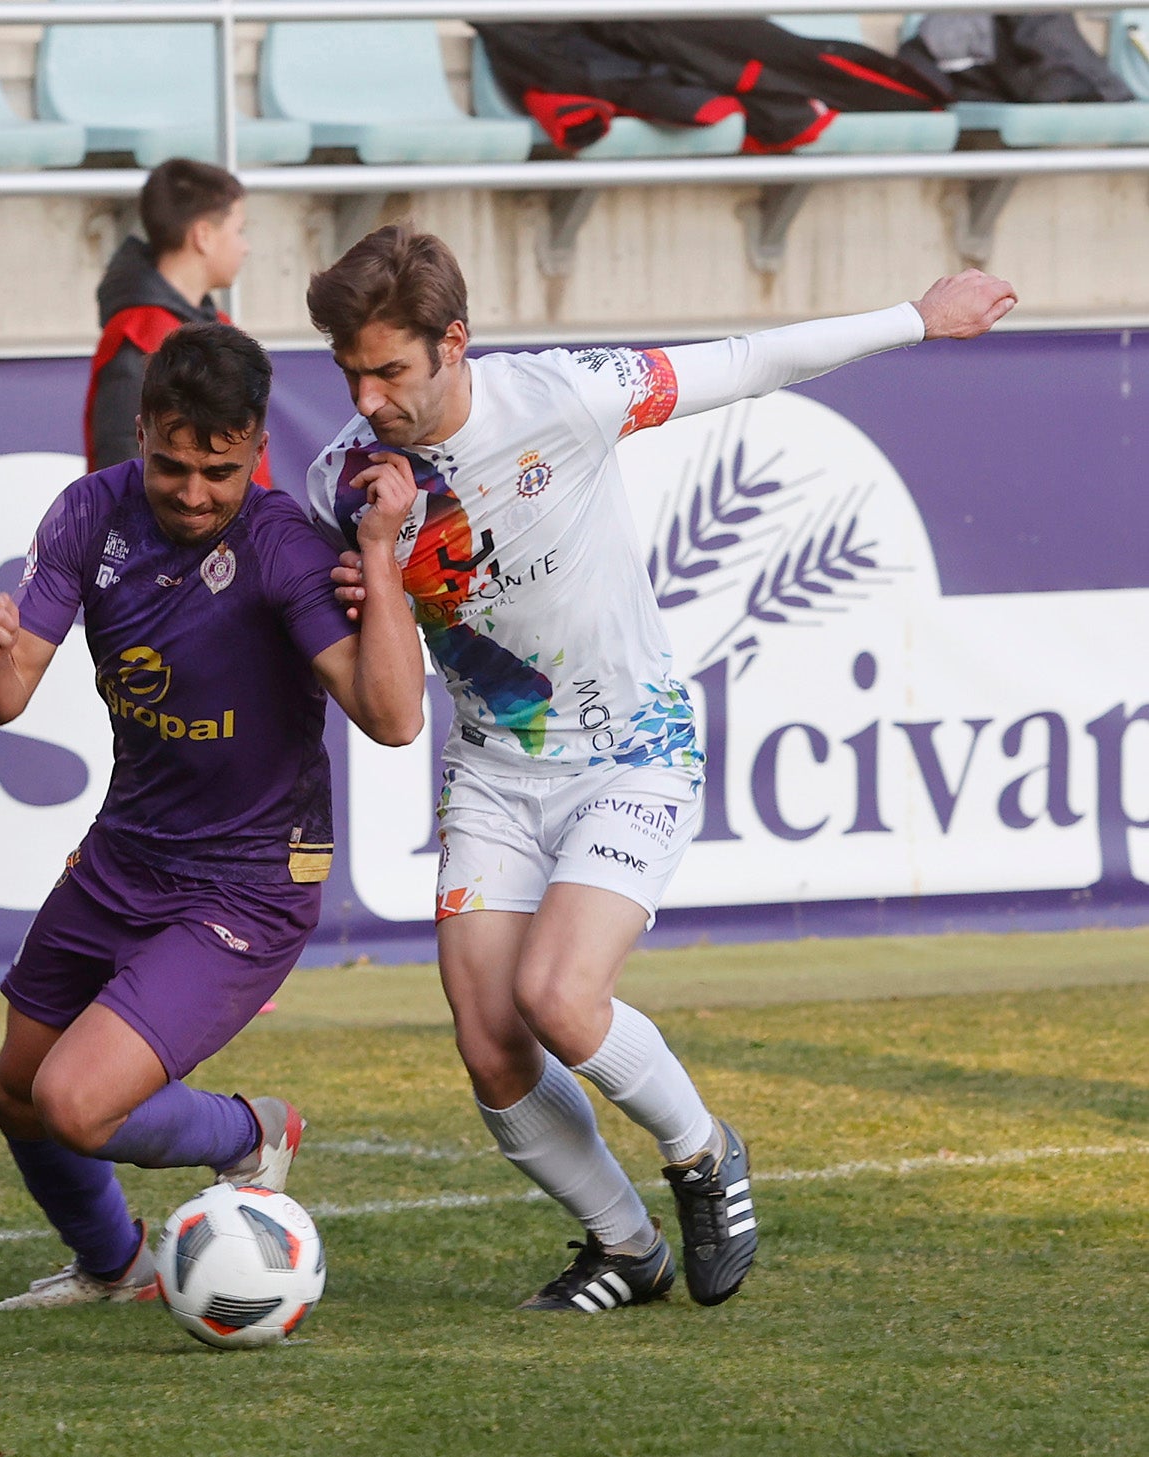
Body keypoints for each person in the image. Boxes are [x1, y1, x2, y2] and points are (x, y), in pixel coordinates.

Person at [306, 225, 1016, 1313]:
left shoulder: (562, 394)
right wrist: (376, 563)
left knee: (558, 995)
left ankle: (702, 1152)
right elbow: (373, 668)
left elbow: (745, 361)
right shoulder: (342, 483)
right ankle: (625, 1247)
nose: (370, 396)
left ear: (456, 342)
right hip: (494, 773)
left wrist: (918, 317)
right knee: (491, 1044)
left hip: (632, 751)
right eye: (351, 372)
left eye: (390, 369)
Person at [0, 321, 424, 1310]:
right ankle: (113, 1266)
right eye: (172, 465)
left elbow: (390, 718)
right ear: (142, 433)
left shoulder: (285, 551)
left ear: (256, 450)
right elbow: (8, 699)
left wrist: (378, 557)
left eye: (219, 469)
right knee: (17, 1092)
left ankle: (254, 1131)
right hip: (125, 852)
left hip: (252, 878)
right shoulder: (90, 515)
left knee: (74, 1104)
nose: (194, 491)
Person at [85, 157, 269, 488]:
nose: (246, 246)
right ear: (204, 236)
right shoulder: (138, 339)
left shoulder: (213, 326)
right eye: (239, 231)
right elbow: (122, 477)